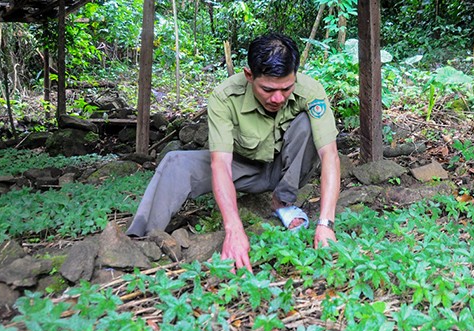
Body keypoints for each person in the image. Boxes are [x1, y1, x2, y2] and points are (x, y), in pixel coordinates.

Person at [126, 33, 341, 272]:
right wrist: (234, 228)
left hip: (286, 169)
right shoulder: (224, 96)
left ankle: (282, 203)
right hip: (243, 169)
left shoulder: (311, 92)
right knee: (174, 161)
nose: (278, 98)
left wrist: (326, 223)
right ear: (249, 75)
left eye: (286, 88)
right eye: (268, 89)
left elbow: (329, 155)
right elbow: (220, 164)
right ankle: (141, 240)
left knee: (306, 125)